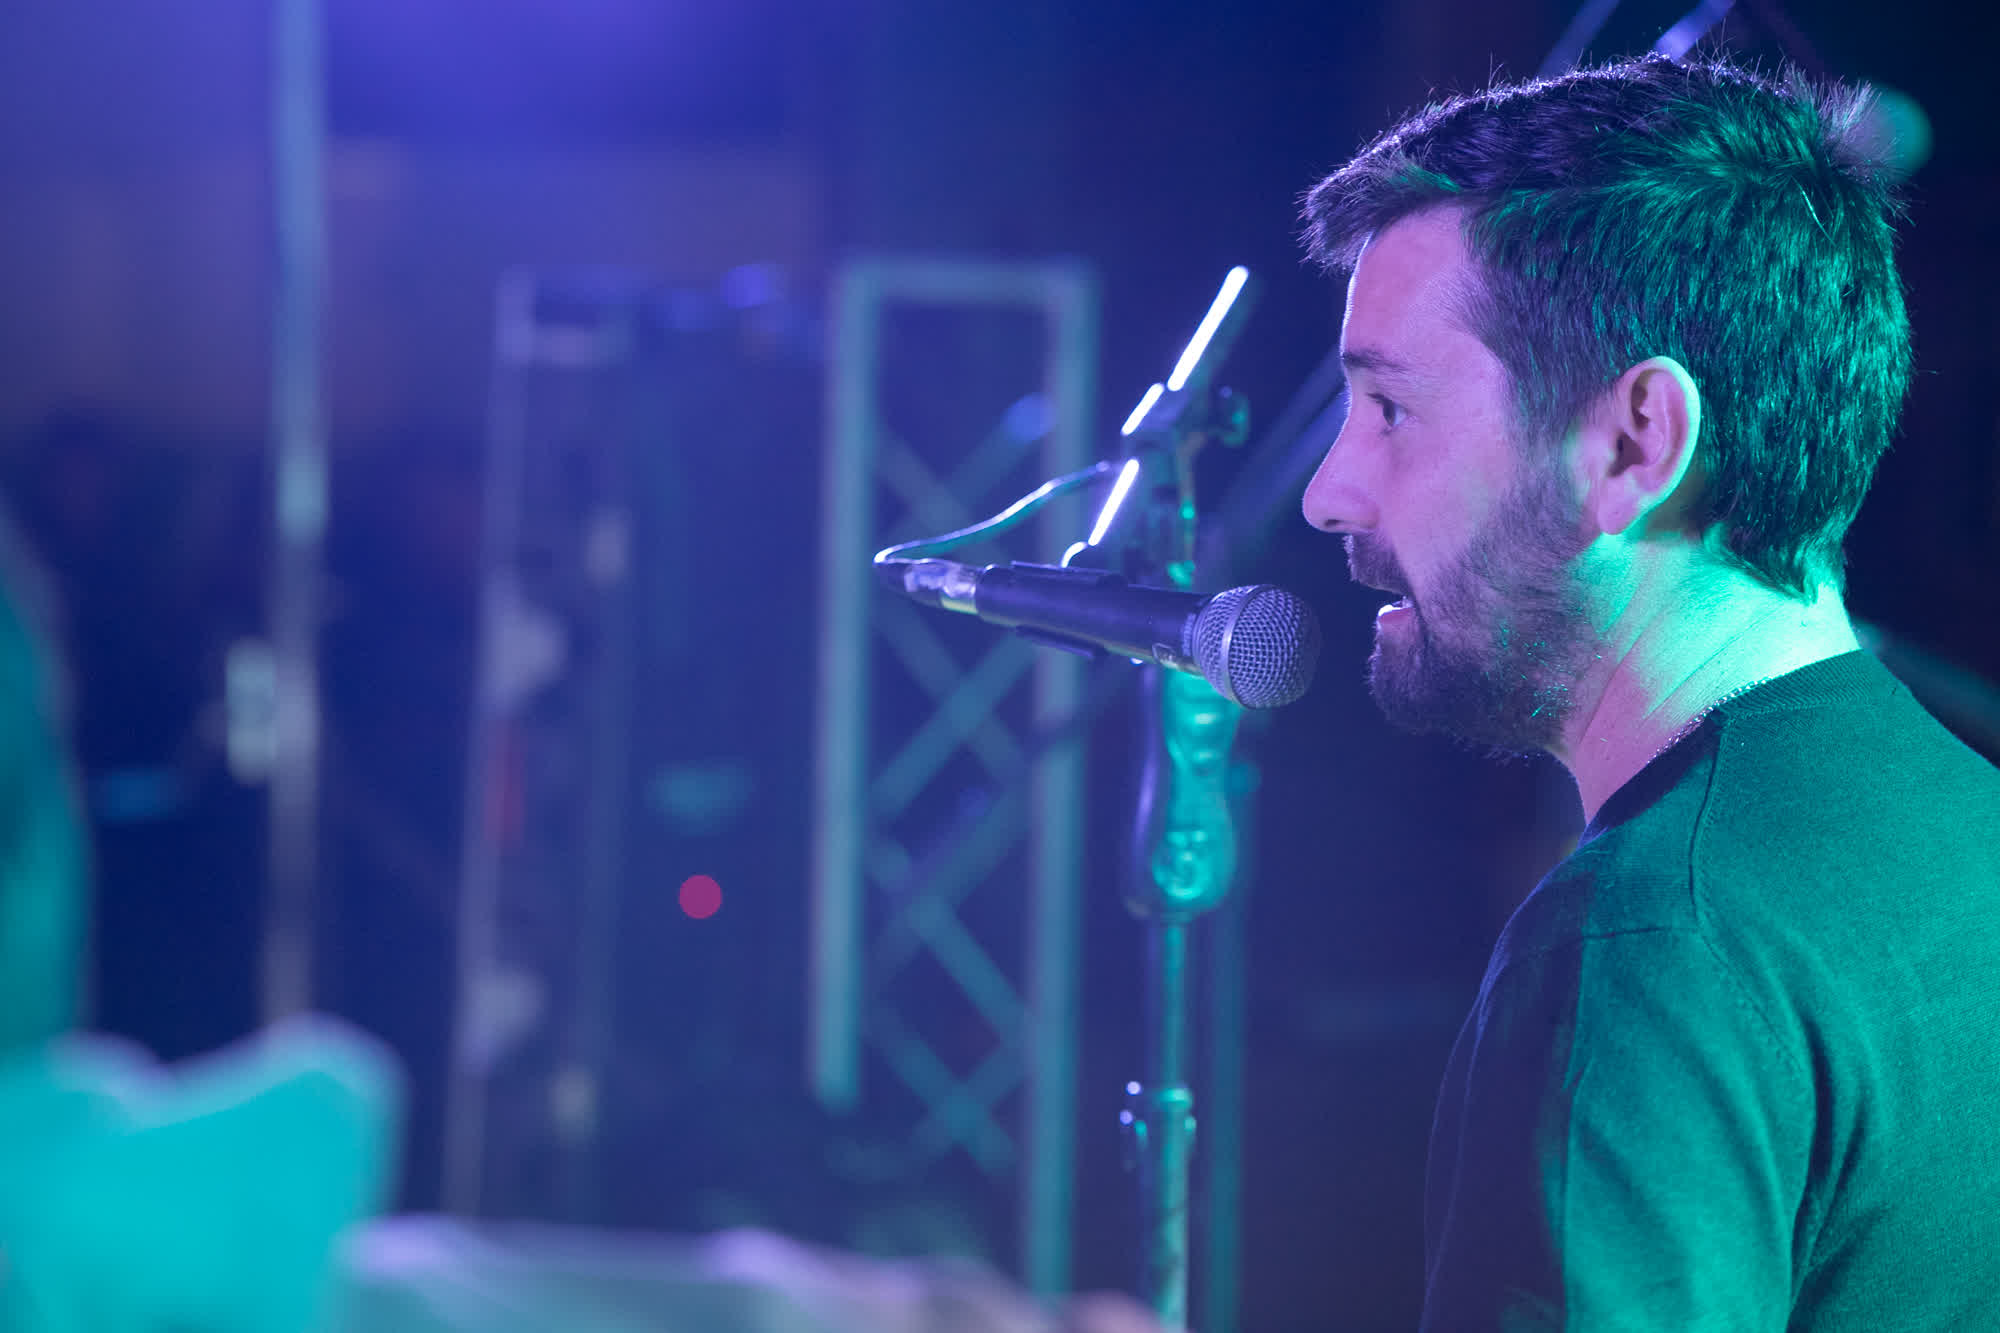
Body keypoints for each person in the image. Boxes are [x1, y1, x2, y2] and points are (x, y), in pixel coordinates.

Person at [1298, 55, 2000, 1329]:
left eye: (1388, 408)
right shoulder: (1968, 826)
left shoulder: (1646, 943)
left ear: (1635, 443)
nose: (1327, 492)